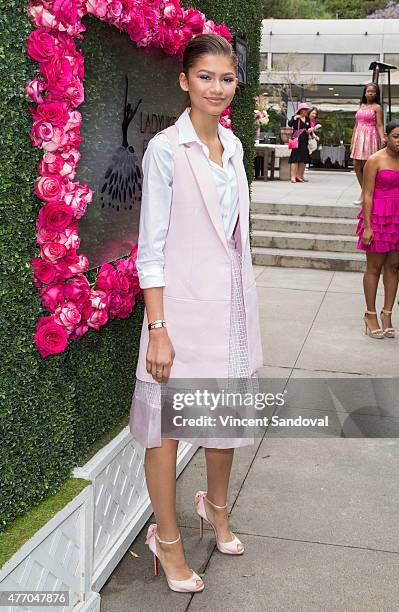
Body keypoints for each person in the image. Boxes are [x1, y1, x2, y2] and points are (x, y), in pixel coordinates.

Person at [129, 34, 263, 593]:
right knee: (164, 431)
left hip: (230, 307)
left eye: (226, 78)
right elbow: (151, 247)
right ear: (184, 82)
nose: (216, 88)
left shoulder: (232, 148)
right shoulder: (165, 149)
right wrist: (159, 330)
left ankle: (216, 508)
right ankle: (167, 539)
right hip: (178, 315)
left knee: (223, 419)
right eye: (204, 77)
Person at [356, 119, 399, 339]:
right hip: (378, 216)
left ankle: (387, 314)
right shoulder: (374, 160)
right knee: (375, 267)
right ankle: (370, 314)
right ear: (386, 136)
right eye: (396, 136)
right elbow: (367, 194)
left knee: (394, 266)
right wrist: (368, 227)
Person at [351, 83, 385, 205]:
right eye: (368, 91)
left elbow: (380, 125)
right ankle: (365, 191)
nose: (370, 93)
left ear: (376, 94)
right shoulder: (361, 106)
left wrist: (382, 138)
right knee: (356, 165)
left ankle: (365, 194)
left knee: (367, 167)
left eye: (373, 91)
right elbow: (356, 125)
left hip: (370, 136)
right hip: (359, 137)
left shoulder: (377, 107)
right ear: (365, 93)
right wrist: (352, 141)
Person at [288, 102, 315, 183]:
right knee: (295, 159)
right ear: (300, 110)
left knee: (303, 160)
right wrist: (295, 117)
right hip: (297, 141)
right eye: (304, 110)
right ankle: (293, 176)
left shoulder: (307, 119)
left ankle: (299, 176)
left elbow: (308, 129)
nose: (305, 111)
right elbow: (290, 124)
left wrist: (311, 132)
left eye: (306, 110)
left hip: (304, 141)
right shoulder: (296, 118)